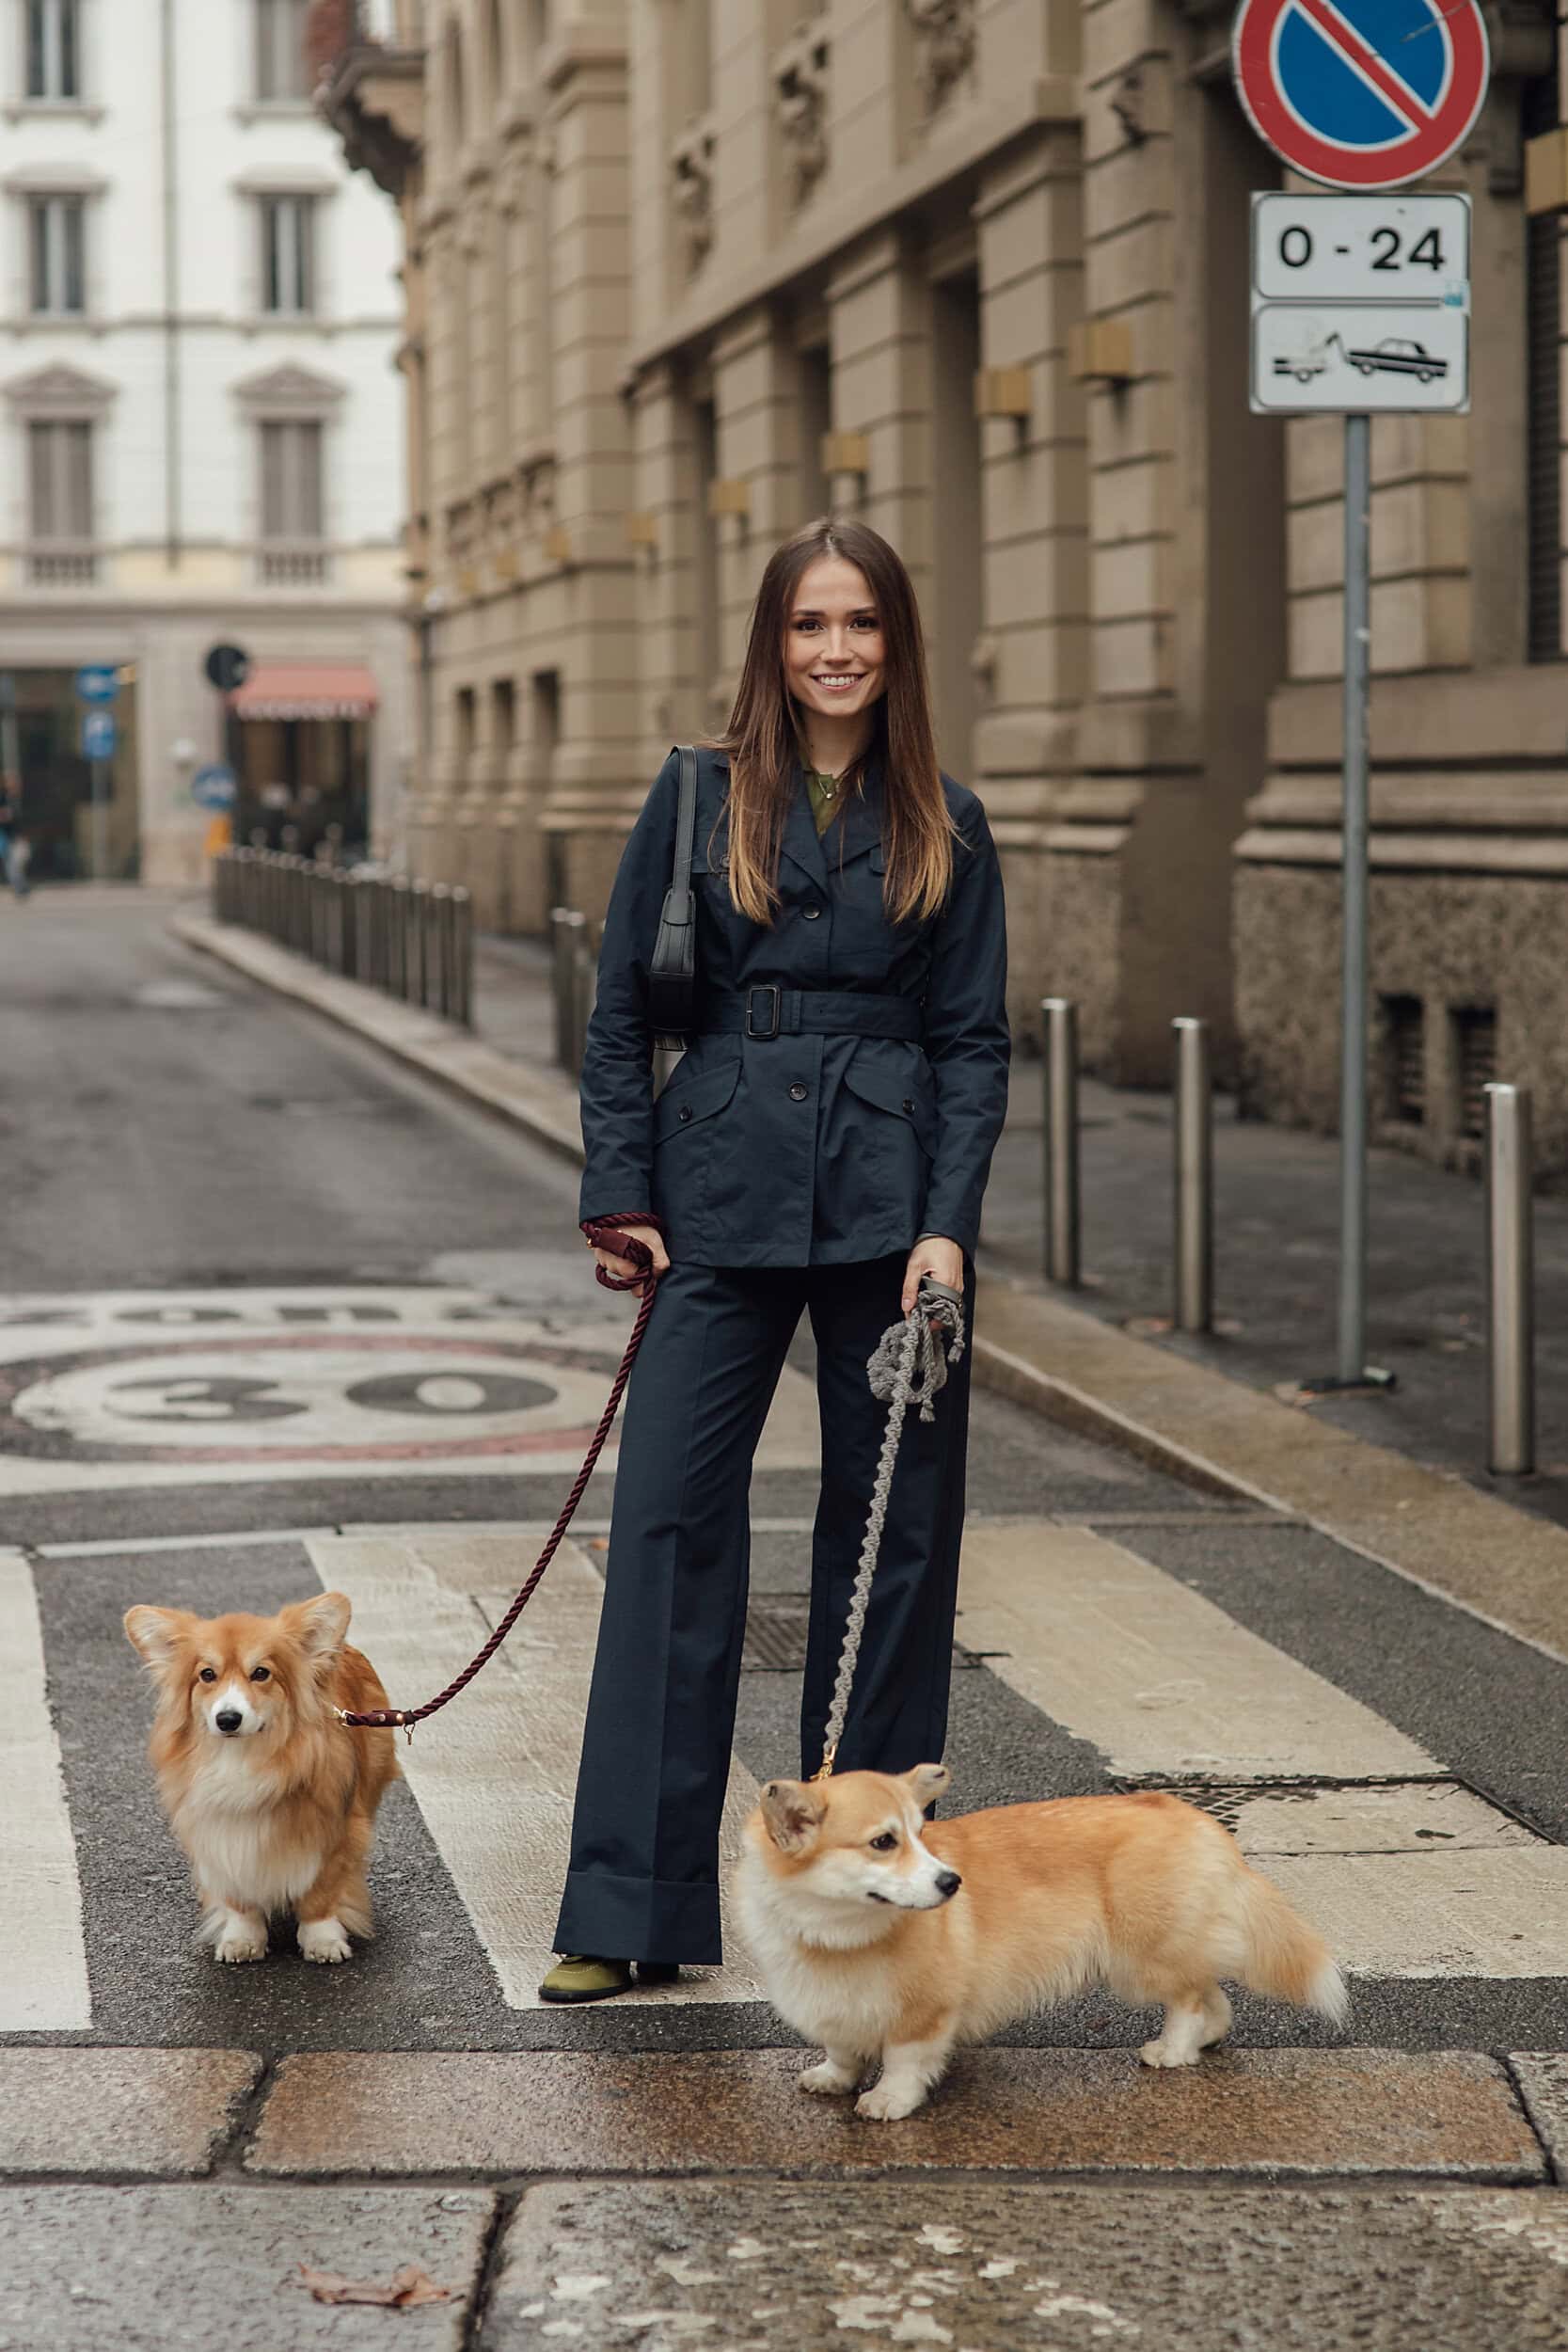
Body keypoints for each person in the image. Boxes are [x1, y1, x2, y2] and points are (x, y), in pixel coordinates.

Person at [540, 516, 1010, 2003]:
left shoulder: (949, 816)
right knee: (673, 1528)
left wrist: (948, 1225)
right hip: (719, 1191)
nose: (836, 651)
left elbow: (974, 1043)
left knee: (895, 1545)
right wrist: (621, 1193)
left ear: (897, 644)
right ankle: (630, 1906)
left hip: (889, 1202)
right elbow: (621, 1016)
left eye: (862, 623)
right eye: (811, 624)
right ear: (773, 641)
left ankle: (867, 1901)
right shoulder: (694, 800)